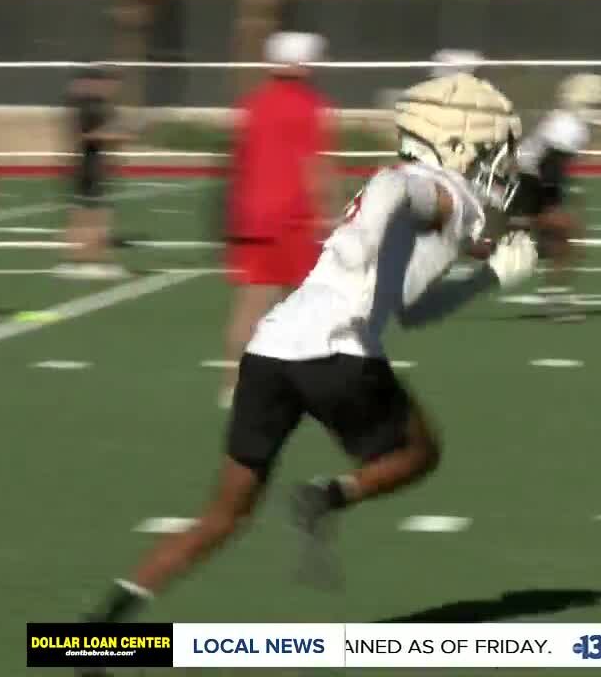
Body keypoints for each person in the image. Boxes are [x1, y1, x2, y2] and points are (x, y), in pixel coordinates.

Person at [81, 71, 538, 625]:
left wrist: (486, 266)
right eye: (490, 149)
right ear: (455, 143)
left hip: (271, 347)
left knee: (223, 516)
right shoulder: (443, 193)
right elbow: (404, 207)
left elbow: (418, 277)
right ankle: (328, 496)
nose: (498, 163)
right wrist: (479, 270)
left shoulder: (435, 199)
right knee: (419, 452)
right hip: (337, 350)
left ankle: (103, 625)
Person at [220, 32, 337, 408]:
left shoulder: (251, 104)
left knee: (250, 306)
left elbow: (240, 161)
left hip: (252, 219)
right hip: (294, 218)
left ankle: (232, 385)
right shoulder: (311, 106)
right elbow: (314, 164)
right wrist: (329, 213)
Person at [509, 73, 601, 321]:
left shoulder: (569, 123)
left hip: (532, 180)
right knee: (567, 239)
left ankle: (554, 295)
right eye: (599, 104)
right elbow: (548, 169)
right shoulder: (569, 128)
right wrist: (551, 208)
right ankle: (555, 299)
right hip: (530, 182)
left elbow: (550, 167)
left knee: (562, 240)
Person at [55, 64, 130, 280]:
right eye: (111, 84)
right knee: (90, 215)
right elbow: (86, 136)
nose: (114, 88)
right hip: (87, 165)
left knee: (93, 214)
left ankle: (87, 259)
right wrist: (114, 136)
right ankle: (85, 260)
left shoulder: (101, 107)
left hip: (94, 165)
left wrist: (115, 154)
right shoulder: (90, 107)